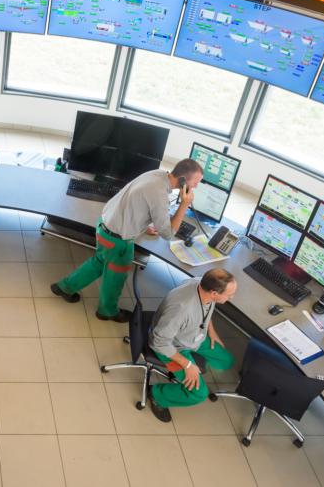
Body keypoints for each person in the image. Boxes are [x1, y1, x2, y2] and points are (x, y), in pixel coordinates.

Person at [51, 158, 204, 321]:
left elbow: (135, 202)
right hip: (118, 241)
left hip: (105, 226)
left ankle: (64, 287)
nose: (195, 187)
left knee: (99, 262)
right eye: (195, 182)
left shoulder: (157, 175)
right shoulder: (159, 194)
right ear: (182, 180)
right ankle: (107, 311)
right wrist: (184, 204)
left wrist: (144, 226)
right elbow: (167, 233)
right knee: (115, 277)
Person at [147, 268, 237, 422]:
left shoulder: (201, 283)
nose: (232, 297)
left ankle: (193, 368)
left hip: (194, 335)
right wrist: (188, 365)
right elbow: (159, 342)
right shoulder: (181, 309)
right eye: (229, 295)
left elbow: (206, 308)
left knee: (226, 361)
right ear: (214, 293)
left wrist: (211, 330)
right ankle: (157, 395)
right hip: (171, 346)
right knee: (198, 394)